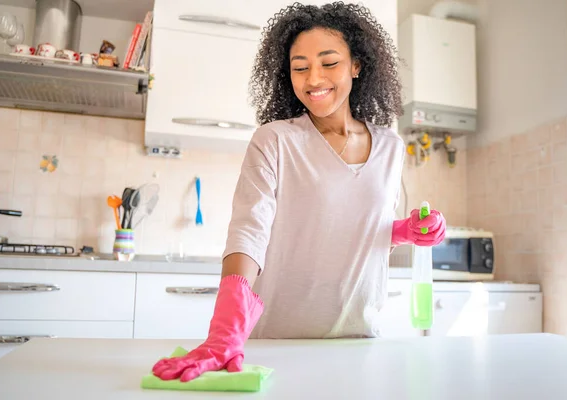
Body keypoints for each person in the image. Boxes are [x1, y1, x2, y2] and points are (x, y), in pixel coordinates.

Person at [152, 1, 446, 382]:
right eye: (300, 67)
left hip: (360, 339)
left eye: (329, 63)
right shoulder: (275, 140)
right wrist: (226, 329)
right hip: (279, 342)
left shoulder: (391, 146)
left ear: (356, 65)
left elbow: (363, 228)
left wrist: (403, 230)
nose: (313, 79)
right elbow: (249, 229)